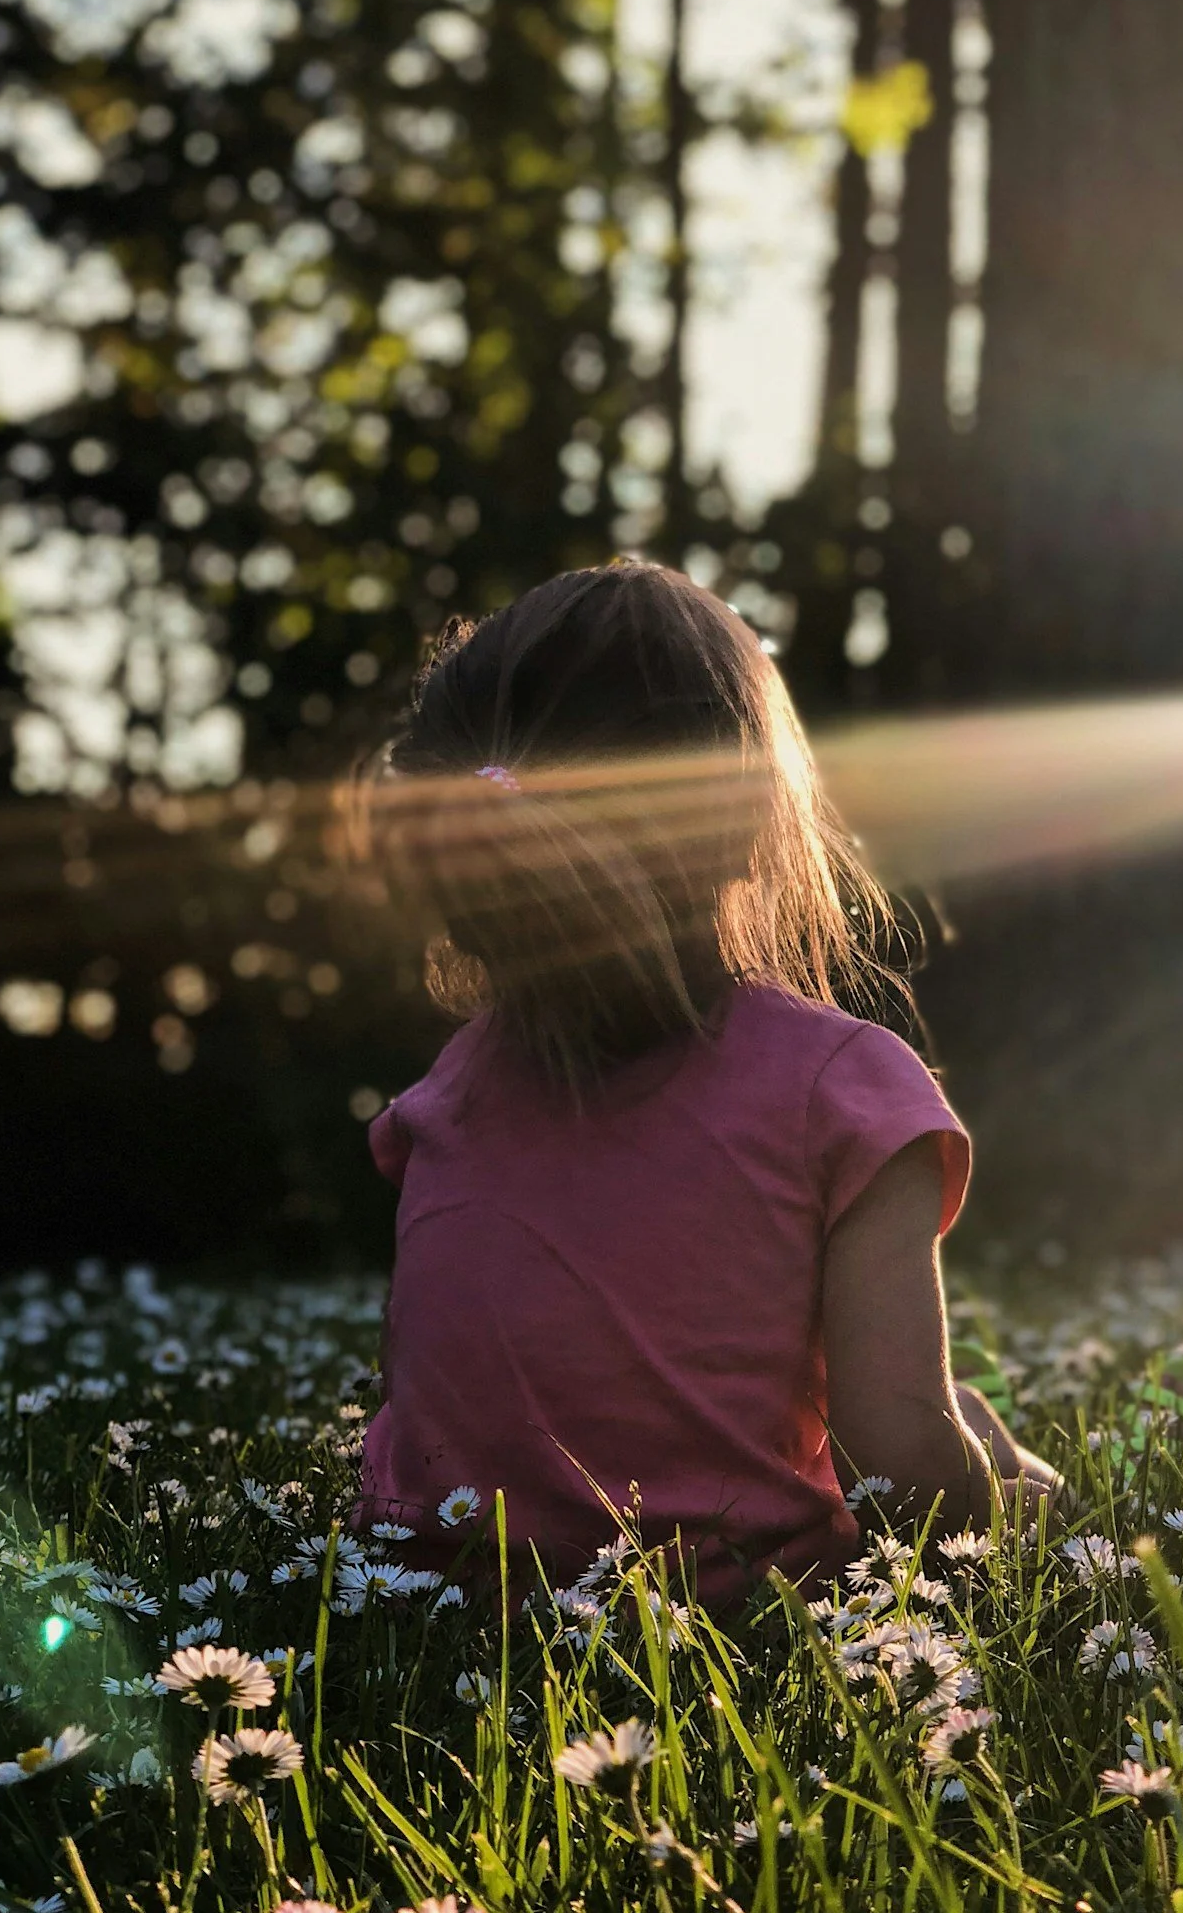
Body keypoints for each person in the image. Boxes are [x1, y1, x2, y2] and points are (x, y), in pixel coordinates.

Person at [353, 558, 1057, 1609]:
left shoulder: (446, 1096)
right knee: (964, 1429)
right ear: (741, 822)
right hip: (731, 1620)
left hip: (436, 1603)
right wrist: (1021, 1506)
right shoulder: (843, 1091)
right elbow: (903, 1474)